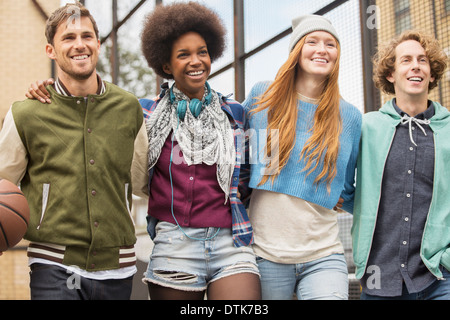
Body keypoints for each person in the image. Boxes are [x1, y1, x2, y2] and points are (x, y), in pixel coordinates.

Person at [0, 2, 149, 300]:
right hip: (52, 264)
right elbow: (2, 181)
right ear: (50, 51)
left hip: (117, 267)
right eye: (68, 38)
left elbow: (144, 181)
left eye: (86, 36)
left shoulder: (129, 107)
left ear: (97, 43)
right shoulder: (26, 113)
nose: (79, 44)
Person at [138, 2, 260, 300]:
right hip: (174, 245)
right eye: (184, 54)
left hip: (230, 243)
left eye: (202, 52)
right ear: (166, 66)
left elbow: (245, 176)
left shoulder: (235, 113)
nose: (196, 61)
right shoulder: (145, 114)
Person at [242, 15, 361, 300]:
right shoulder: (263, 97)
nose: (322, 49)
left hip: (324, 254)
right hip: (264, 253)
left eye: (330, 44)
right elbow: (236, 158)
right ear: (296, 50)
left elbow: (346, 187)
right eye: (313, 41)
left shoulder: (351, 117)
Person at [352, 30, 450, 300]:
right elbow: (348, 190)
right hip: (379, 278)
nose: (416, 65)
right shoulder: (367, 127)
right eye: (405, 60)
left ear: (431, 74)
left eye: (423, 60)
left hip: (439, 277)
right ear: (391, 74)